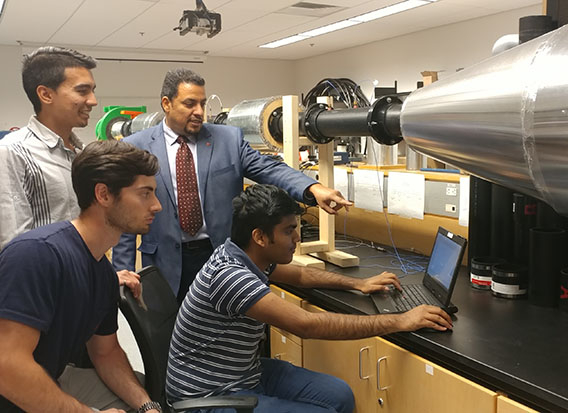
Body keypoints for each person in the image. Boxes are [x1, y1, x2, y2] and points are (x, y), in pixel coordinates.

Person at [166, 184, 453, 412]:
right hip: (211, 395)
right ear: (260, 237)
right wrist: (400, 320)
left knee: (339, 396)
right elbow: (306, 325)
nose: (297, 239)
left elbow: (301, 276)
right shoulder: (230, 276)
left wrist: (359, 283)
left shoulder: (243, 254)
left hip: (244, 373)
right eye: (289, 231)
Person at [113, 68, 352, 303]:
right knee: (169, 337)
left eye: (202, 104)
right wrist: (121, 272)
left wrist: (313, 188)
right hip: (164, 262)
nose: (199, 112)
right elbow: (125, 213)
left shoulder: (228, 140)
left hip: (222, 256)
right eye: (189, 104)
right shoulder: (135, 147)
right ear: (167, 103)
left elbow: (268, 168)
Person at [0, 140, 164, 413]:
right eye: (145, 194)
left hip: (46, 380)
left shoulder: (102, 272)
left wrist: (148, 406)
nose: (157, 206)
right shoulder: (37, 255)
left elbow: (106, 353)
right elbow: (7, 365)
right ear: (104, 195)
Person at [0, 46, 141, 292]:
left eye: (92, 91)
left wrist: (106, 275)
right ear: (45, 94)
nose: (93, 101)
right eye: (82, 91)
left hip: (84, 293)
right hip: (47, 300)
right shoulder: (12, 152)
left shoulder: (81, 154)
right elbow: (14, 250)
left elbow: (86, 234)